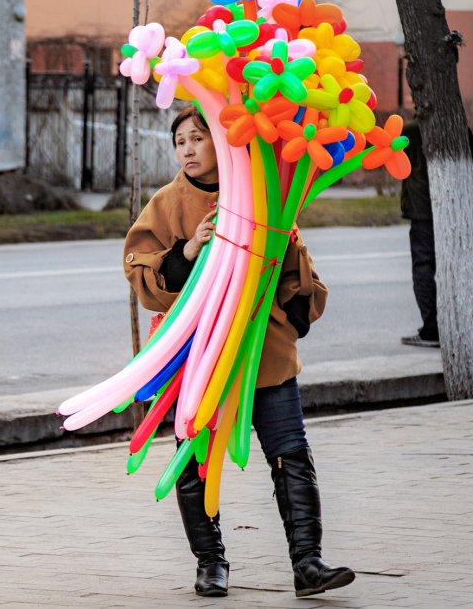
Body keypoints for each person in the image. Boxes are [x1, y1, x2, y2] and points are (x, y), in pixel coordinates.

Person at [122, 105, 354, 598]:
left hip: (263, 355)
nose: (187, 148)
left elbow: (297, 273)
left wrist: (286, 323)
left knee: (290, 453)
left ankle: (308, 564)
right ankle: (211, 564)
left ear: (223, 142)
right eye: (179, 140)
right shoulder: (165, 204)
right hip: (197, 359)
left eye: (197, 138)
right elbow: (143, 276)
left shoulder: (264, 198)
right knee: (194, 461)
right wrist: (187, 252)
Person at [399, 118, 473, 348]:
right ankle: (461, 328)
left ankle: (431, 330)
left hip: (422, 213)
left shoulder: (409, 131)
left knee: (423, 268)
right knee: (457, 269)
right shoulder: (458, 127)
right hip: (454, 209)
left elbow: (395, 164)